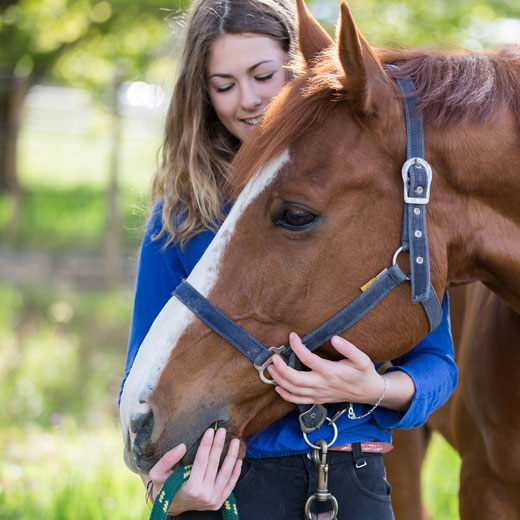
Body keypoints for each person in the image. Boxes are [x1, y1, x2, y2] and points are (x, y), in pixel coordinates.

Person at [119, 0, 457, 518]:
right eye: (224, 85)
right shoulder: (183, 216)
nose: (248, 101)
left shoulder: (362, 200)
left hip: (354, 479)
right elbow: (143, 388)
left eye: (263, 75)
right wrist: (170, 496)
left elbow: (439, 364)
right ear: (204, 95)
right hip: (235, 486)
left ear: (301, 70)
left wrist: (376, 387)